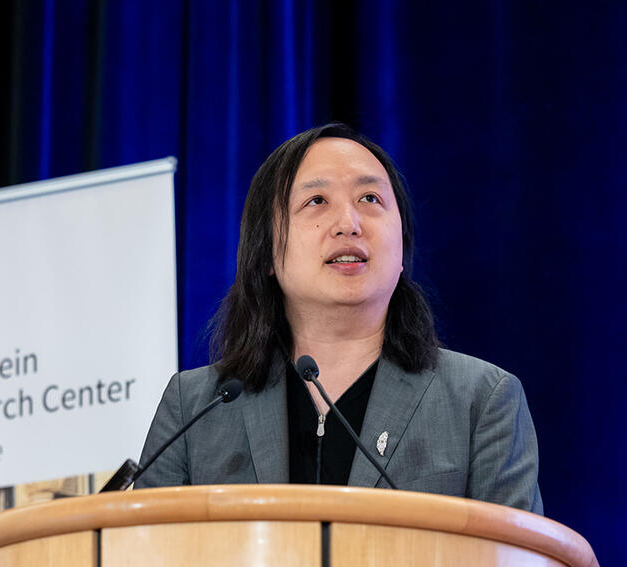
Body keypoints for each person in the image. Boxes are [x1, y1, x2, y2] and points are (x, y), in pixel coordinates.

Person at [135, 123, 543, 514]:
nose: (349, 224)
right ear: (266, 251)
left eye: (370, 199)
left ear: (402, 247)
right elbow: (141, 565)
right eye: (317, 201)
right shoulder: (194, 408)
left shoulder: (481, 401)